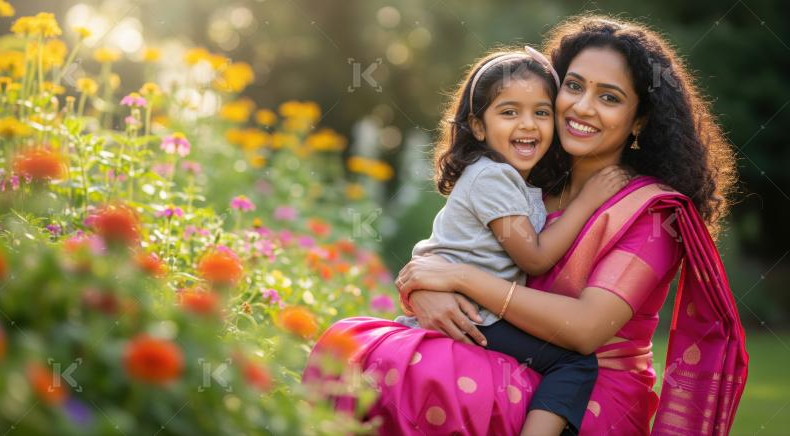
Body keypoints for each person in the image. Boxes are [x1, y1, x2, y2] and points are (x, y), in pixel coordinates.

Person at [304, 15, 747, 435]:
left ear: (640, 120)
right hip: (511, 356)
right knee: (360, 350)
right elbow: (452, 250)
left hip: (586, 393)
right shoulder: (530, 186)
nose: (583, 107)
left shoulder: (650, 213)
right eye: (573, 86)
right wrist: (424, 289)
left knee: (414, 372)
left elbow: (584, 330)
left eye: (609, 97)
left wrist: (459, 279)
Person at [392, 46, 630, 436]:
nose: (528, 124)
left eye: (541, 112)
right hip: (475, 313)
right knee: (575, 364)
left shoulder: (508, 179)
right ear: (479, 127)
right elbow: (534, 259)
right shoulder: (493, 178)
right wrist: (588, 202)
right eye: (509, 112)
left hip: (473, 305)